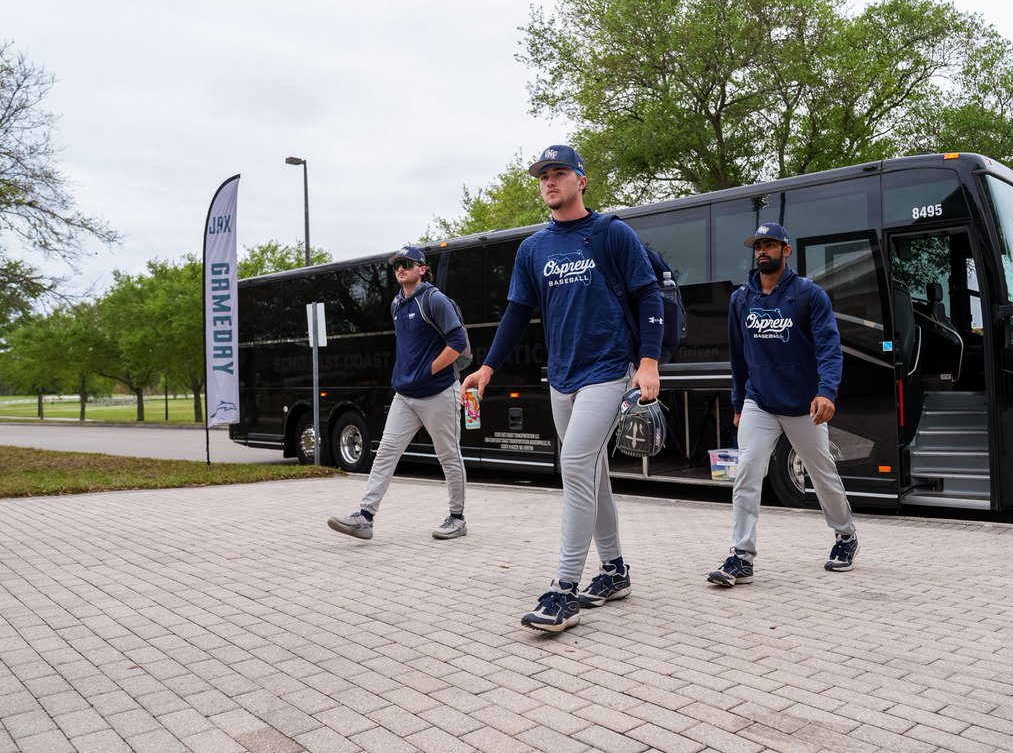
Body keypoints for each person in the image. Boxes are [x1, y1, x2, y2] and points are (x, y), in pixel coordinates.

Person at [460, 144, 664, 633]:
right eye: (543, 175)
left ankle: (564, 590)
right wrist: (487, 367)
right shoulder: (533, 249)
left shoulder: (611, 233)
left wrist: (648, 362)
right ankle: (614, 571)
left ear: (581, 180)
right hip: (561, 376)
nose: (549, 181)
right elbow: (516, 314)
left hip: (609, 370)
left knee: (573, 465)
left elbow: (648, 295)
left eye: (559, 172)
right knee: (593, 475)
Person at [709, 223, 859, 587]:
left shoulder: (809, 294)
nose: (762, 250)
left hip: (803, 404)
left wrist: (826, 392)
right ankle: (741, 556)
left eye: (770, 244)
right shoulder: (741, 299)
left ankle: (845, 535)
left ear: (786, 250)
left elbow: (828, 348)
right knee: (747, 471)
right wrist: (738, 402)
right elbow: (738, 357)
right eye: (758, 245)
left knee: (821, 472)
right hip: (759, 400)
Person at [327, 246, 471, 542]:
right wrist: (407, 375)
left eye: (406, 263)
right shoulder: (396, 304)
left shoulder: (434, 300)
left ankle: (457, 518)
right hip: (405, 394)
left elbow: (458, 342)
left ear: (422, 269)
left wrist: (429, 371)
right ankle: (365, 517)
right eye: (396, 265)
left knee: (448, 456)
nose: (400, 269)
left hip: (439, 391)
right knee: (385, 453)